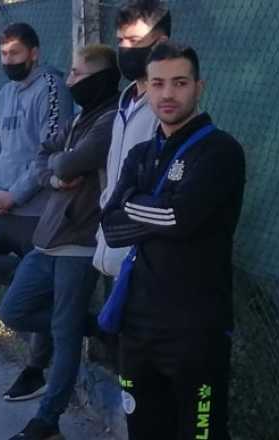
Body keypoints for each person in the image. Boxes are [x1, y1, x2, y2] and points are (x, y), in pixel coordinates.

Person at [100, 42, 245, 440]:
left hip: (195, 330)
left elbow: (179, 218)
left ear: (199, 87)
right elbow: (110, 225)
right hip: (138, 325)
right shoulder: (142, 153)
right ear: (145, 87)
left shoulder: (220, 152)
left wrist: (134, 203)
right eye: (158, 83)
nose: (168, 94)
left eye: (180, 83)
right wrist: (158, 209)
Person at [0, 44, 121, 440]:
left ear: (99, 78)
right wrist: (54, 175)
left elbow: (68, 161)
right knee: (13, 310)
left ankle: (46, 422)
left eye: (76, 74)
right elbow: (46, 158)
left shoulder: (109, 119)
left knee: (65, 336)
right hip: (47, 238)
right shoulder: (81, 116)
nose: (69, 81)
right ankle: (97, 325)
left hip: (80, 242)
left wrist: (58, 164)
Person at [0, 22, 73, 402]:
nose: (8, 61)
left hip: (35, 211)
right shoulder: (6, 91)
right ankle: (31, 285)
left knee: (34, 298)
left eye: (16, 54)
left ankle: (36, 368)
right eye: (4, 54)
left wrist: (15, 195)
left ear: (34, 52)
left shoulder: (52, 88)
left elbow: (50, 153)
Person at [94, 0, 167, 278]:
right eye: (120, 41)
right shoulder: (125, 102)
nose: (125, 49)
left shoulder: (167, 110)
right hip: (111, 251)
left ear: (161, 42)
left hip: (143, 262)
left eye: (135, 40)